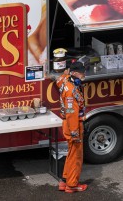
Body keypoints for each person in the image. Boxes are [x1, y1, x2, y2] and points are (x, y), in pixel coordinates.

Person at [55, 61, 88, 193]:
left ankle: (64, 181)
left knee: (71, 154)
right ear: (74, 73)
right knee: (76, 156)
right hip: (73, 125)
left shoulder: (64, 80)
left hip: (69, 124)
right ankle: (72, 185)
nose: (83, 75)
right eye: (81, 73)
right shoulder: (71, 91)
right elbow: (71, 113)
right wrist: (75, 132)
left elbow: (60, 77)